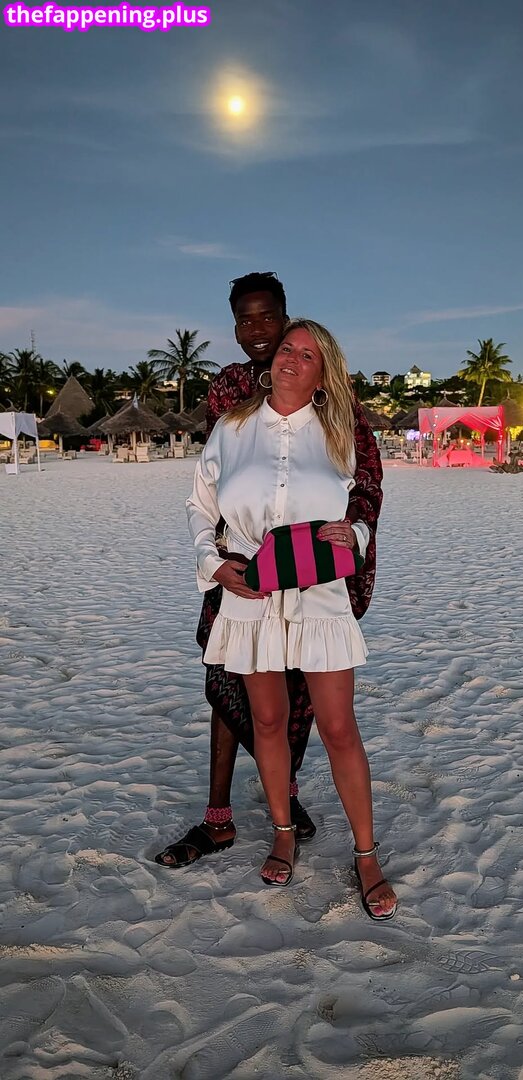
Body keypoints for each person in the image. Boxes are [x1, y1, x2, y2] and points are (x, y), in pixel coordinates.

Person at [155, 273, 383, 868]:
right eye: (286, 349)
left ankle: (361, 852)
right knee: (257, 712)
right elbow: (202, 501)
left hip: (318, 592)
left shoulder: (343, 427)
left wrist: (356, 536)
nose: (283, 353)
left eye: (304, 353)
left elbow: (366, 494)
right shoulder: (230, 411)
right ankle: (258, 824)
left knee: (333, 723)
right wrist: (213, 564)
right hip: (247, 588)